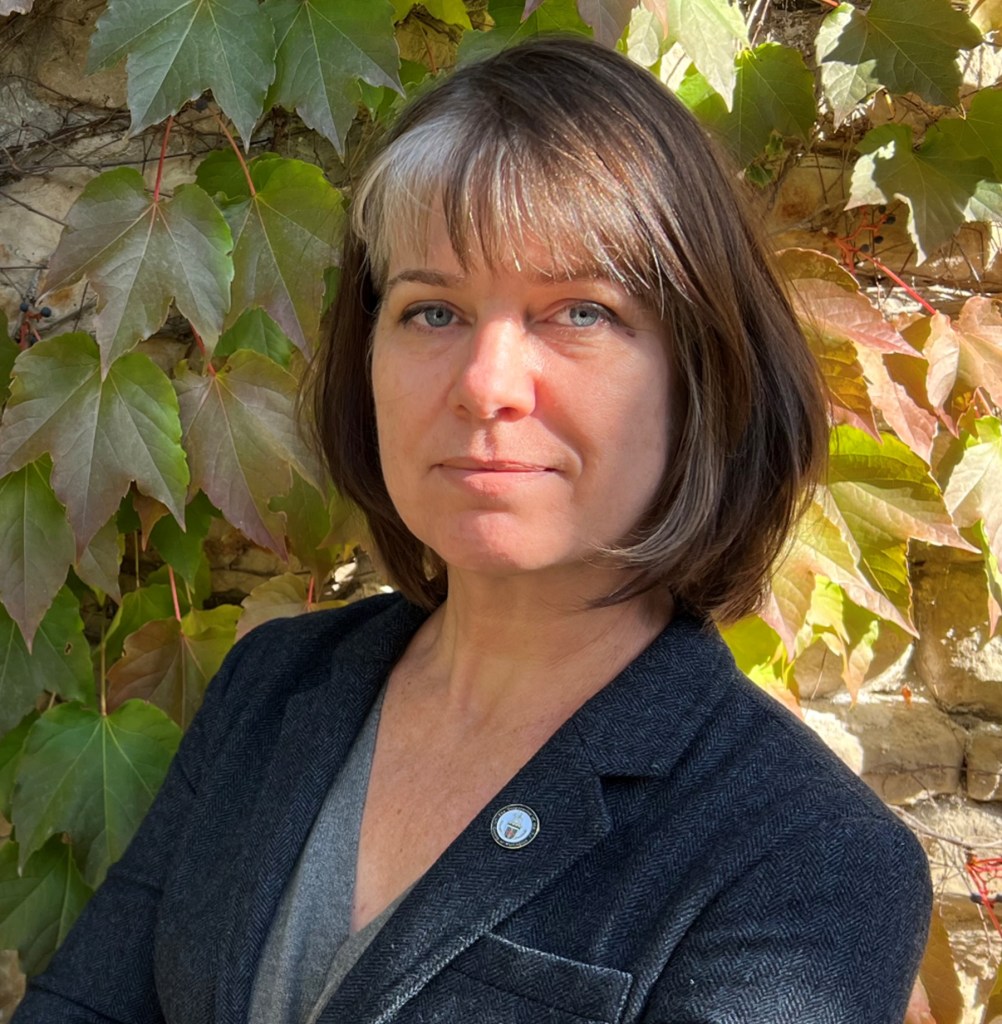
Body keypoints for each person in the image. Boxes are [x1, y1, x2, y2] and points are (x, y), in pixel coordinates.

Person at [14, 35, 931, 1024]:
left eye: (580, 312)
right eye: (433, 312)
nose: (487, 384)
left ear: (701, 375)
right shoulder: (271, 687)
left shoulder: (805, 860)